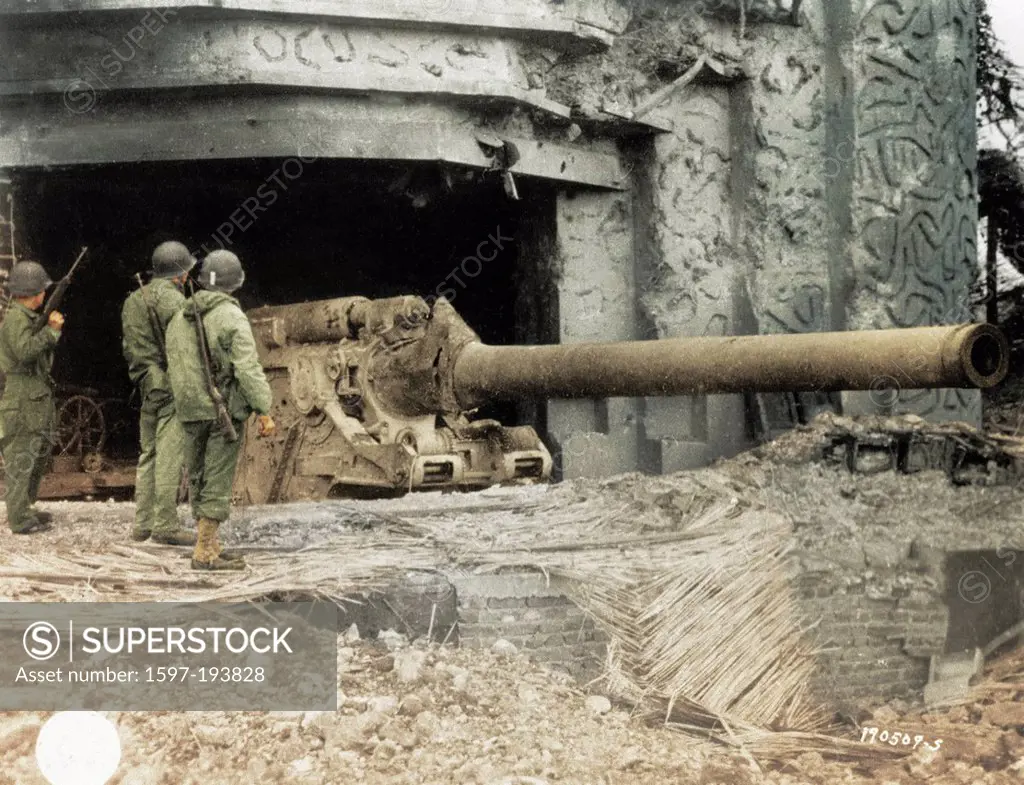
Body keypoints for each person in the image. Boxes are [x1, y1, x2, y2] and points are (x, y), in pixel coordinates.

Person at [165, 250, 275, 570]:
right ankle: (204, 552)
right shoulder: (232, 317)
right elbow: (248, 369)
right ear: (234, 284)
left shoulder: (177, 319)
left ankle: (210, 542)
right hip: (220, 408)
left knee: (198, 474)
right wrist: (263, 409)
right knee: (217, 476)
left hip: (188, 409)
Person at [121, 240, 197, 545]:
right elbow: (190, 346)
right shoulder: (174, 301)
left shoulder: (132, 300)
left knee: (148, 453)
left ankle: (143, 524)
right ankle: (165, 525)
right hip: (169, 385)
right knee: (169, 455)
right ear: (179, 274)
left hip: (145, 384)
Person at [0, 261, 63, 534]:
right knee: (21, 457)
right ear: (34, 292)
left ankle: (26, 507)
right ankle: (18, 518)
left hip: (34, 396)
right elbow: (25, 351)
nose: (44, 295)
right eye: (42, 291)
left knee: (35, 456)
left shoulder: (26, 318)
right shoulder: (16, 319)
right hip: (23, 397)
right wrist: (51, 332)